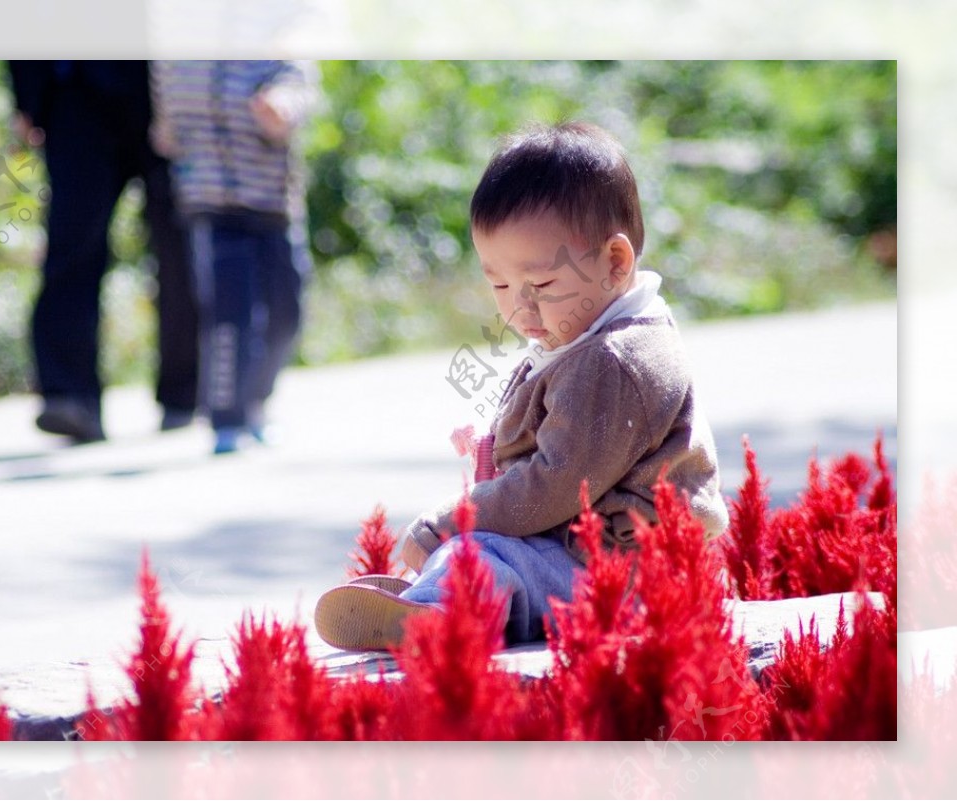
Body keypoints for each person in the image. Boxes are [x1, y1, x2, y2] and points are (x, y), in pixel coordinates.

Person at [314, 121, 730, 650]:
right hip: (587, 556)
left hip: (626, 576)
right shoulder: (586, 332)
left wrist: (449, 522)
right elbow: (557, 443)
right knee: (484, 554)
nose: (519, 306)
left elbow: (557, 484)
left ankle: (447, 607)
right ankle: (436, 600)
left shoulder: (615, 359)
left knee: (482, 553)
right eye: (500, 284)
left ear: (615, 262)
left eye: (542, 284)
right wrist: (493, 445)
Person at [6, 61, 199, 443]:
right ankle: (69, 395)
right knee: (72, 238)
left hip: (169, 85)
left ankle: (187, 393)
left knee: (182, 242)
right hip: (75, 88)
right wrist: (27, 94)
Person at [151, 61, 316, 454]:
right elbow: (165, 130)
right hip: (212, 206)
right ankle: (227, 418)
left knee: (286, 314)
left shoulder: (275, 49)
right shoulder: (178, 60)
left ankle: (256, 398)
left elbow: (297, 93)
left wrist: (279, 112)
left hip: (273, 205)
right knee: (228, 316)